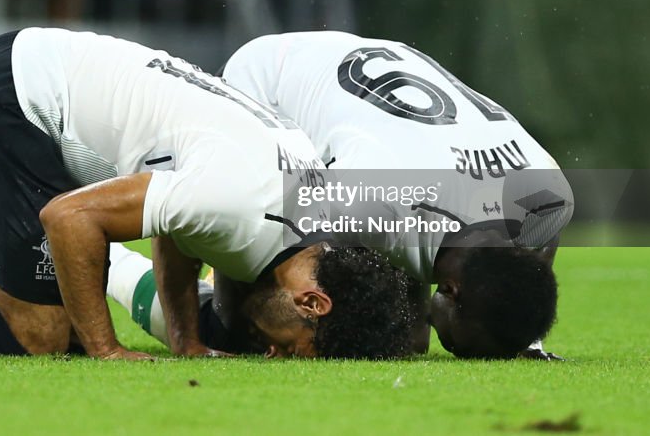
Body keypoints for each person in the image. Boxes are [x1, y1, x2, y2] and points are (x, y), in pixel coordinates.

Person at [0, 29, 414, 359]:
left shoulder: (292, 203)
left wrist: (182, 335)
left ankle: (11, 279)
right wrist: (107, 346)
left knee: (172, 313)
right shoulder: (243, 199)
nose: (274, 352)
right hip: (6, 100)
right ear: (311, 300)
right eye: (292, 346)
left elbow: (180, 217)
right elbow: (69, 216)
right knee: (43, 336)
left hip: (43, 90)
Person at [214, 31, 573, 359]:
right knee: (232, 324)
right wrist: (235, 310)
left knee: (409, 338)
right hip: (270, 79)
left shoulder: (546, 198)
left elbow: (530, 259)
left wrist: (525, 337)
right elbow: (260, 217)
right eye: (456, 344)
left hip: (379, 84)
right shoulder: (367, 199)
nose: (439, 337)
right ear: (449, 290)